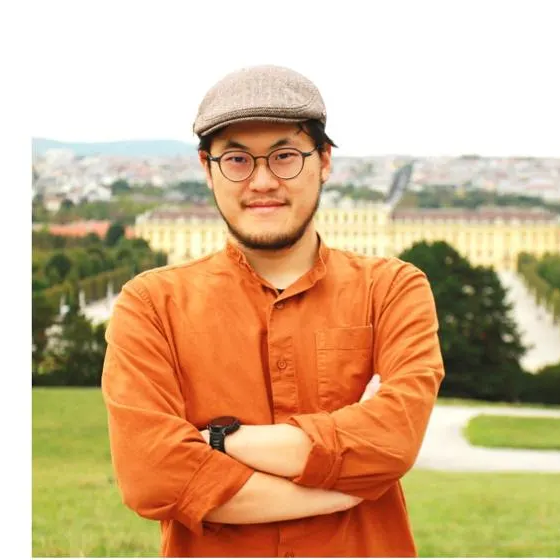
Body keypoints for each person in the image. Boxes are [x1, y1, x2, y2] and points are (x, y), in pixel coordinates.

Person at [100, 64, 446, 557]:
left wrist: (216, 443)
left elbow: (393, 442)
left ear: (324, 160)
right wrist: (345, 486)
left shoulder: (393, 289)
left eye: (285, 156)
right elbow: (151, 478)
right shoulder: (150, 305)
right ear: (207, 168)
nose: (262, 181)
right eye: (237, 159)